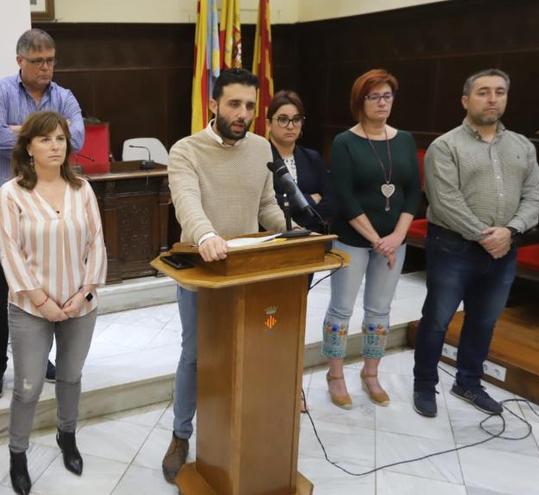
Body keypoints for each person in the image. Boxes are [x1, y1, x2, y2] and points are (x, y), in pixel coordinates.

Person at [161, 68, 287, 483]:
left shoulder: (261, 148)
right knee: (196, 355)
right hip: (203, 272)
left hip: (250, 271)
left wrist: (292, 228)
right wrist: (207, 234)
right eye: (234, 104)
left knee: (247, 354)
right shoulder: (185, 150)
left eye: (250, 106)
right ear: (214, 104)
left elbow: (266, 205)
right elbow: (187, 203)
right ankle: (181, 435)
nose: (243, 113)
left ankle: (236, 432)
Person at [412, 69, 539, 418]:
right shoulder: (446, 145)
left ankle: (468, 382)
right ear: (466, 100)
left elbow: (534, 196)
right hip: (453, 247)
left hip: (505, 248)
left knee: (484, 320)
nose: (492, 99)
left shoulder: (522, 146)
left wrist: (511, 231)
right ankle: (424, 384)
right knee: (437, 319)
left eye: (499, 92)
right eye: (483, 92)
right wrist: (488, 236)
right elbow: (444, 201)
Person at [0, 111, 106, 495]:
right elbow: (9, 254)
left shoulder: (82, 189)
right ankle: (17, 454)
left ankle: (67, 435)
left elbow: (97, 245)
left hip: (80, 305)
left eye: (60, 139)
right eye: (45, 139)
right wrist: (43, 301)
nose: (55, 146)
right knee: (27, 386)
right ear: (28, 146)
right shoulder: (11, 194)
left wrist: (83, 294)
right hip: (30, 308)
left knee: (71, 377)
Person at [0, 28, 85, 400]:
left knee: (44, 285)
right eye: (38, 61)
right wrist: (47, 134)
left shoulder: (64, 97)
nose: (46, 68)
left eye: (51, 60)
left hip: (46, 204)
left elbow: (78, 139)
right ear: (20, 60)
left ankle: (41, 359)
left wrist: (22, 133)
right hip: (1, 203)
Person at [322, 69, 421, 410]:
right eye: (374, 96)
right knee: (341, 309)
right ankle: (335, 375)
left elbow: (413, 193)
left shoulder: (405, 139)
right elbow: (345, 198)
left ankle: (371, 373)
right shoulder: (345, 142)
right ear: (360, 102)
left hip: (395, 240)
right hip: (353, 239)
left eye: (387, 96)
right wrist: (379, 240)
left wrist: (397, 236)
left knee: (379, 310)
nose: (382, 103)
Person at [267, 89, 331, 234]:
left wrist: (294, 210)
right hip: (274, 237)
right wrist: (309, 199)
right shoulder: (260, 159)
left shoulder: (312, 157)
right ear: (269, 123)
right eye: (283, 119)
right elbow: (267, 205)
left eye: (296, 119)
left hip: (312, 235)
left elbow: (330, 202)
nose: (290, 126)